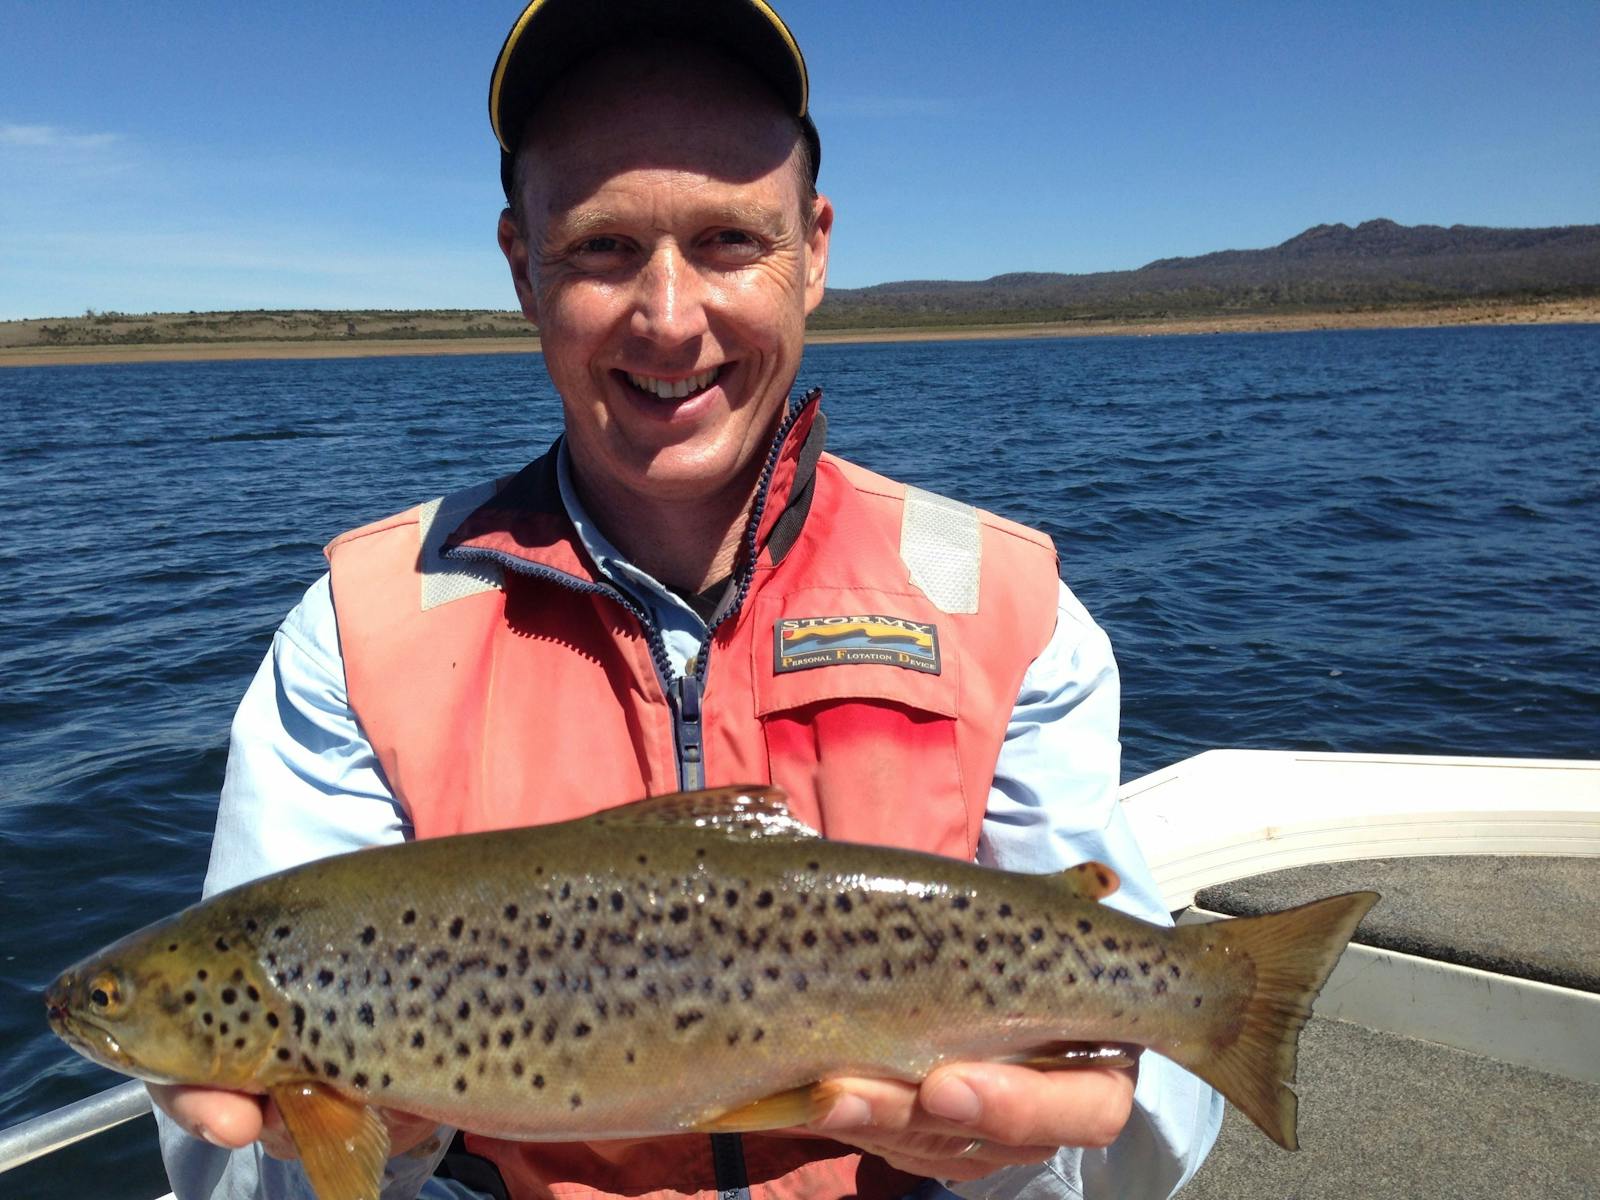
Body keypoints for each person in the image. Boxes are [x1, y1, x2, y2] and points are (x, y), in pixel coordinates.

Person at [151, 2, 1223, 1197]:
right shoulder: (355, 636)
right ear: (521, 265)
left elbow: (1139, 1130)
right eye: (604, 250)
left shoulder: (1006, 606)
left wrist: (1016, 1150)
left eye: (726, 242)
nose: (669, 318)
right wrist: (366, 1142)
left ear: (813, 250)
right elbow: (231, 1176)